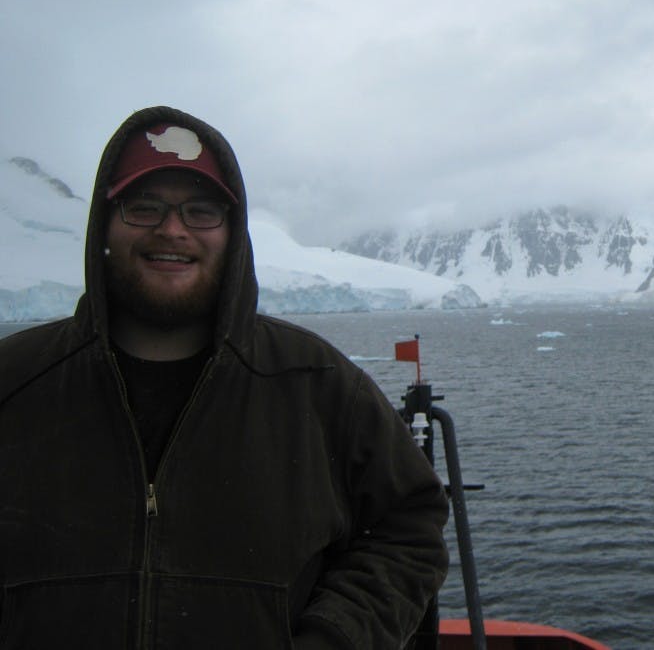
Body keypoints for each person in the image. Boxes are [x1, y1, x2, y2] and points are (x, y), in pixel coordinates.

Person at [0, 106, 450, 649]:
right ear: (105, 224)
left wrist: (335, 637)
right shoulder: (16, 382)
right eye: (143, 208)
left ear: (233, 234)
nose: (172, 230)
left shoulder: (318, 385)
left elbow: (409, 525)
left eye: (201, 211)